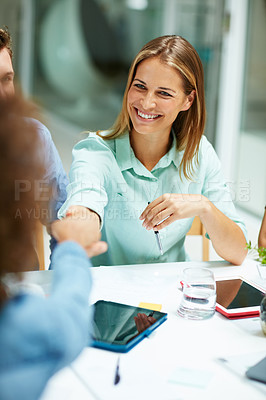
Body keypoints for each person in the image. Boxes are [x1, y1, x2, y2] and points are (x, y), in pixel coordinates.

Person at [58, 35, 247, 266]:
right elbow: (85, 199)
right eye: (140, 87)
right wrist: (80, 225)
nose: (146, 103)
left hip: (172, 293)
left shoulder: (200, 154)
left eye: (164, 93)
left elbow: (239, 252)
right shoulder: (96, 152)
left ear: (188, 100)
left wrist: (203, 206)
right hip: (110, 297)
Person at [0, 94, 107, 400]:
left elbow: (58, 215)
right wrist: (72, 249)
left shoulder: (32, 137)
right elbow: (66, 324)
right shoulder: (30, 328)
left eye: (6, 79)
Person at [0, 27, 68, 267]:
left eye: (6, 79)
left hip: (22, 285)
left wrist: (57, 281)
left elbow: (62, 219)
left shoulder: (34, 138)